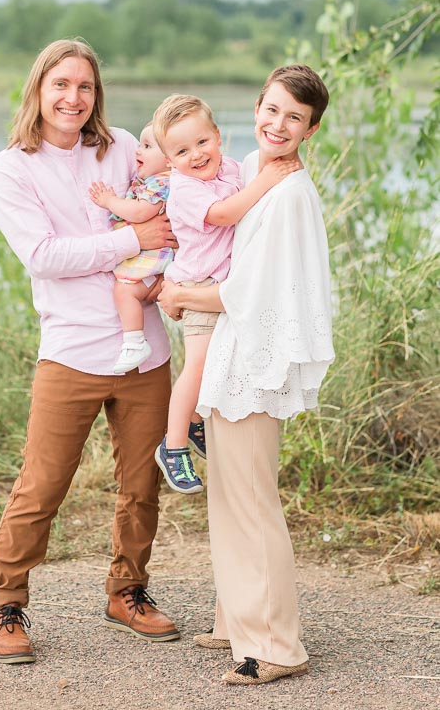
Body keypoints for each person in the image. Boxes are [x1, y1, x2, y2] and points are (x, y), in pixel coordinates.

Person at [0, 39, 180, 665]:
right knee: (42, 486)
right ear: (38, 89)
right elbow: (43, 257)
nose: (73, 97)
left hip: (144, 348)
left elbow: (173, 207)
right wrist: (128, 239)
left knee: (142, 483)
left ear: (97, 94)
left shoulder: (122, 147)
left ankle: (128, 592)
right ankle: (6, 601)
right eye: (61, 84)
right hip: (69, 351)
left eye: (85, 86)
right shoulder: (11, 169)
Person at [158, 65, 335, 685]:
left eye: (294, 117)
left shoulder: (285, 193)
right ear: (256, 107)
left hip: (256, 362)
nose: (278, 124)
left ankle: (276, 646)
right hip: (234, 360)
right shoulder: (253, 179)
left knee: (252, 503)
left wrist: (179, 292)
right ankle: (237, 618)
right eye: (272, 109)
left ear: (309, 131)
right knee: (230, 499)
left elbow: (257, 292)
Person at [151, 94, 299, 495]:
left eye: (202, 142)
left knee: (218, 361)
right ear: (169, 161)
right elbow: (224, 214)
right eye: (181, 151)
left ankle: (196, 421)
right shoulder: (185, 190)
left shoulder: (231, 169)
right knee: (197, 366)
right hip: (197, 285)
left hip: (221, 285)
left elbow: (250, 195)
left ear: (218, 136)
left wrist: (271, 168)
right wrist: (268, 178)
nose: (196, 155)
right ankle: (173, 445)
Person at [88, 122, 173, 375]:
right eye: (139, 144)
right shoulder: (151, 180)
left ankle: (135, 341)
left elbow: (139, 212)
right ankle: (134, 342)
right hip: (153, 253)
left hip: (155, 255)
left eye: (147, 146)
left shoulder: (162, 183)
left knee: (124, 292)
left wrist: (109, 201)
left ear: (169, 159)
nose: (138, 151)